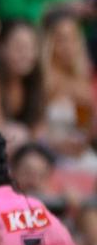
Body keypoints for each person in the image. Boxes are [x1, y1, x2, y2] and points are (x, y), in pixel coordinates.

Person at [40, 9, 95, 161]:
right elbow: (33, 127)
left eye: (73, 38)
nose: (69, 46)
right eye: (61, 39)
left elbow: (85, 129)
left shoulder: (83, 79)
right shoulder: (40, 81)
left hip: (78, 154)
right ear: (48, 41)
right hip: (46, 154)